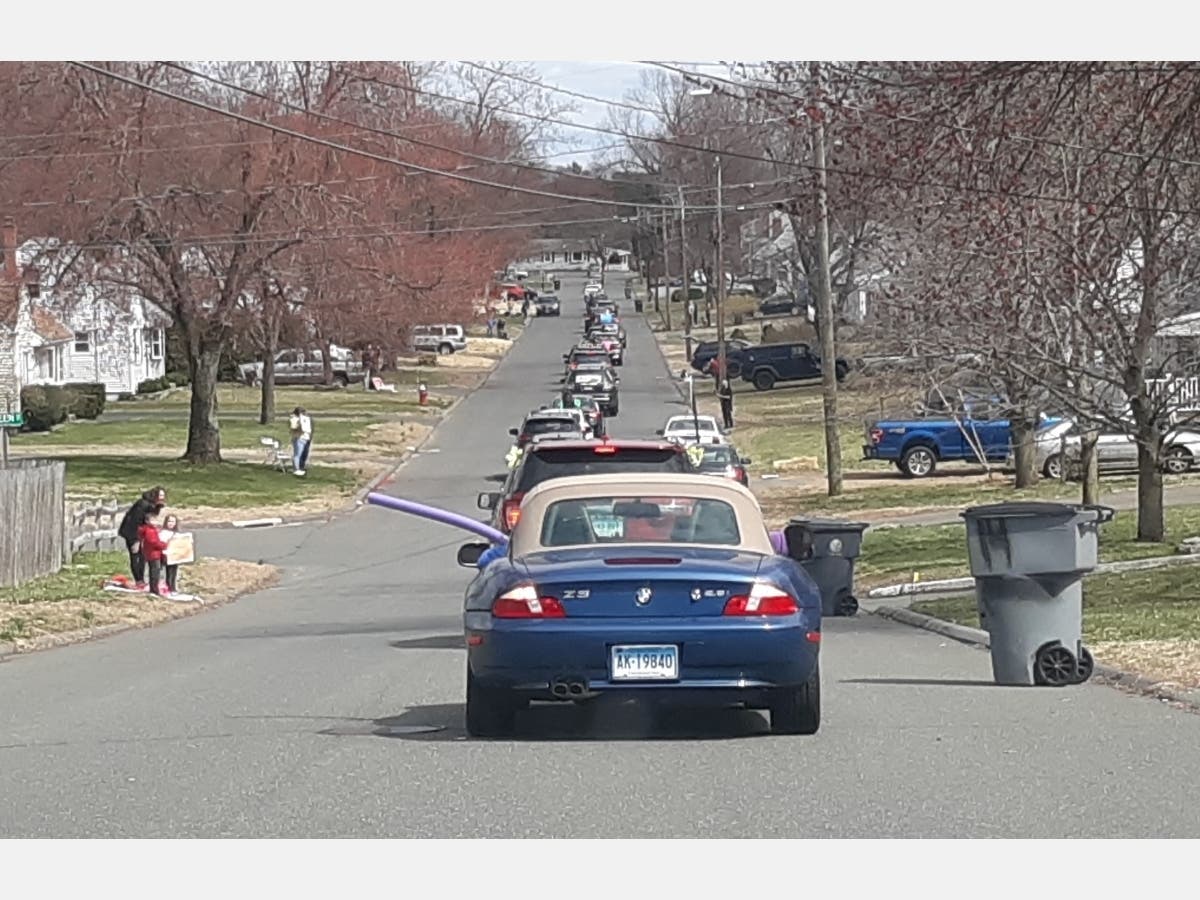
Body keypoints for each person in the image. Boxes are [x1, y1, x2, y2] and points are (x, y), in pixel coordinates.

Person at [117, 486, 166, 588]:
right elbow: (136, 522)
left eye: (163, 496)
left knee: (143, 555)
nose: (162, 498)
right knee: (136, 555)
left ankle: (141, 580)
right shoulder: (143, 504)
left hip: (141, 532)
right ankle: (138, 580)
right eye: (160, 495)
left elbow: (148, 520)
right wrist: (136, 540)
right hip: (131, 532)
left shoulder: (153, 505)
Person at [137, 516, 169, 597]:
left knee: (153, 571)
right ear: (147, 521)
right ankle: (154, 589)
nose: (155, 522)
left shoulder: (149, 529)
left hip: (151, 553)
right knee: (155, 572)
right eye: (153, 520)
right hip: (154, 554)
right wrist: (164, 545)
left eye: (156, 520)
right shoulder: (150, 530)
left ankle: (153, 588)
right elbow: (153, 542)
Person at [158, 513, 182, 594]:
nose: (171, 523)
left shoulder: (177, 533)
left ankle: (173, 587)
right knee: (169, 572)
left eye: (173, 521)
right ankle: (169, 588)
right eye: (169, 521)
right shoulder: (163, 533)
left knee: (174, 571)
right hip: (167, 555)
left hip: (175, 556)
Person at [289, 406, 313, 476]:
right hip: (298, 438)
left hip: (305, 438)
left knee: (303, 454)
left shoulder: (305, 419)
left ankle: (300, 467)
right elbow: (293, 428)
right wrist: (299, 426)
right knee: (297, 454)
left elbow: (308, 428)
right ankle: (296, 469)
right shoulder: (294, 419)